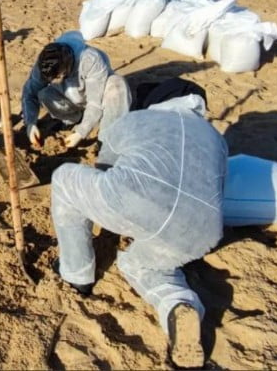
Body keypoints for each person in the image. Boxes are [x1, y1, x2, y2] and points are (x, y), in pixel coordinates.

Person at [49, 81, 227, 368]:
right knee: (145, 266)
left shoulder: (139, 119)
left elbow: (105, 167)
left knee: (65, 180)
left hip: (136, 203)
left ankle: (76, 275)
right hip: (201, 231)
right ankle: (179, 304)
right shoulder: (216, 139)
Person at [21, 30, 131, 149]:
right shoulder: (44, 62)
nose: (53, 81)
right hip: (71, 98)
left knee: (117, 86)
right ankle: (75, 119)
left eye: (57, 77)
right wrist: (30, 124)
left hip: (98, 95)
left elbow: (94, 103)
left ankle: (108, 140)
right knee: (44, 94)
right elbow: (29, 92)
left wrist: (81, 133)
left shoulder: (90, 60)